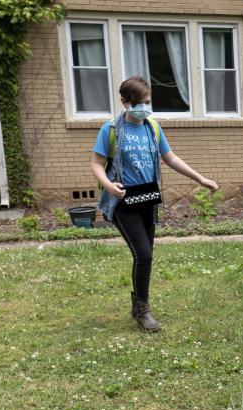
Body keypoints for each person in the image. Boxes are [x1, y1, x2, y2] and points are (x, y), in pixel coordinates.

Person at [91, 76, 218, 331]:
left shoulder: (152, 127)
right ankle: (143, 309)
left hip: (148, 200)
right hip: (123, 202)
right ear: (124, 102)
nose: (145, 107)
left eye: (148, 102)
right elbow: (96, 163)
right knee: (144, 254)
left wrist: (200, 178)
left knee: (145, 256)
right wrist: (108, 186)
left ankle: (137, 301)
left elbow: (169, 157)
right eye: (139, 103)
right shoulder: (111, 130)